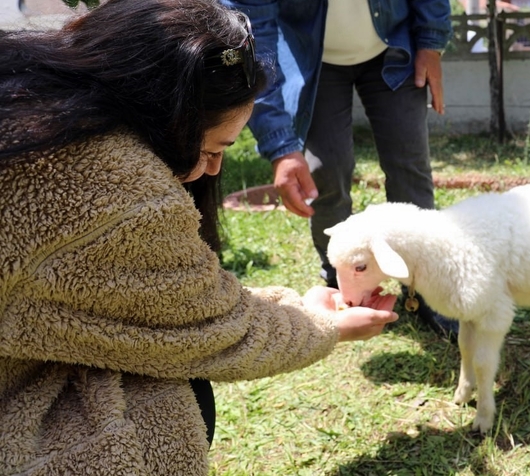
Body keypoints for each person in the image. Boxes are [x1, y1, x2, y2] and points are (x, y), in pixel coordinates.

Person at [0, 0, 398, 474]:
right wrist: (325, 326)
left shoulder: (40, 94)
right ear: (168, 114)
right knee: (173, 399)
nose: (213, 168)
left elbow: (169, 299)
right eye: (213, 149)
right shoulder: (119, 196)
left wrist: (296, 307)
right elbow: (206, 330)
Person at [220, 0, 461, 340]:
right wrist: (281, 147)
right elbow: (254, 41)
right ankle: (341, 284)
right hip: (312, 61)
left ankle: (424, 288)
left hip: (394, 48)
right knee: (326, 170)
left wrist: (431, 44)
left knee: (409, 165)